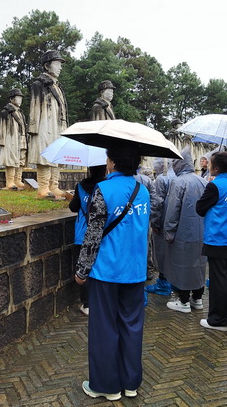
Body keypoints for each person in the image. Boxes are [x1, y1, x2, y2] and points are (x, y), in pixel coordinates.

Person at [75, 145, 150, 401]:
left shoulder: (103, 189)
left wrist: (82, 270)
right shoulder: (143, 191)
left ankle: (106, 385)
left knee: (104, 327)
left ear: (114, 163)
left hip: (107, 270)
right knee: (132, 325)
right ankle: (130, 382)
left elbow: (93, 234)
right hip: (135, 270)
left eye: (108, 158)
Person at [196, 152, 227, 331]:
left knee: (218, 281)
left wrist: (210, 185)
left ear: (216, 168)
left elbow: (200, 208)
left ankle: (217, 320)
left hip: (218, 238)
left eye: (210, 164)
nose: (208, 166)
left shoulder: (215, 186)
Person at [163, 148, 208, 313]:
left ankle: (183, 301)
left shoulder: (178, 182)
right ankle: (197, 298)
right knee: (199, 265)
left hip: (182, 233)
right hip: (201, 232)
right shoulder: (202, 181)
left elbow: (172, 211)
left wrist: (169, 231)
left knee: (181, 265)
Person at [27, 50, 68, 199]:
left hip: (57, 125)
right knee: (45, 154)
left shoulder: (58, 86)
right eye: (57, 64)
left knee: (57, 154)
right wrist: (33, 128)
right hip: (44, 124)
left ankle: (54, 186)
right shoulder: (40, 84)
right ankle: (43, 188)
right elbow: (34, 106)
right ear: (46, 66)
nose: (60, 67)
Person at [69, 165, 107, 315]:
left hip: (82, 233)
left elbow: (73, 207)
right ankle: (100, 300)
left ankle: (87, 304)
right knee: (99, 267)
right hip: (101, 234)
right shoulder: (105, 187)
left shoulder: (81, 186)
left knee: (84, 268)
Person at [148, 158, 176, 293]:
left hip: (163, 221)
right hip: (174, 222)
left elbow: (157, 203)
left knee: (161, 252)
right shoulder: (176, 176)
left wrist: (155, 222)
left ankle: (163, 282)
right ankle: (172, 280)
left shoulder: (161, 179)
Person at [0, 88, 27, 190]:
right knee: (11, 159)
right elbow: (2, 128)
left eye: (21, 98)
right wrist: (2, 141)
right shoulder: (6, 112)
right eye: (18, 98)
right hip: (11, 138)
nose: (20, 100)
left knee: (21, 159)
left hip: (22, 138)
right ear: (11, 99)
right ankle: (10, 182)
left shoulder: (21, 113)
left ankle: (17, 180)